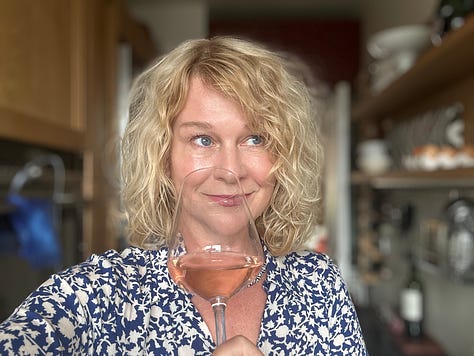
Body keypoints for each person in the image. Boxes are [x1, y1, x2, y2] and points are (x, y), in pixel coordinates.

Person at [0, 36, 367, 355]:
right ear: (163, 155)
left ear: (283, 157)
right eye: (203, 139)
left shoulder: (319, 284)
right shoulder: (93, 295)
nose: (231, 170)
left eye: (256, 138)